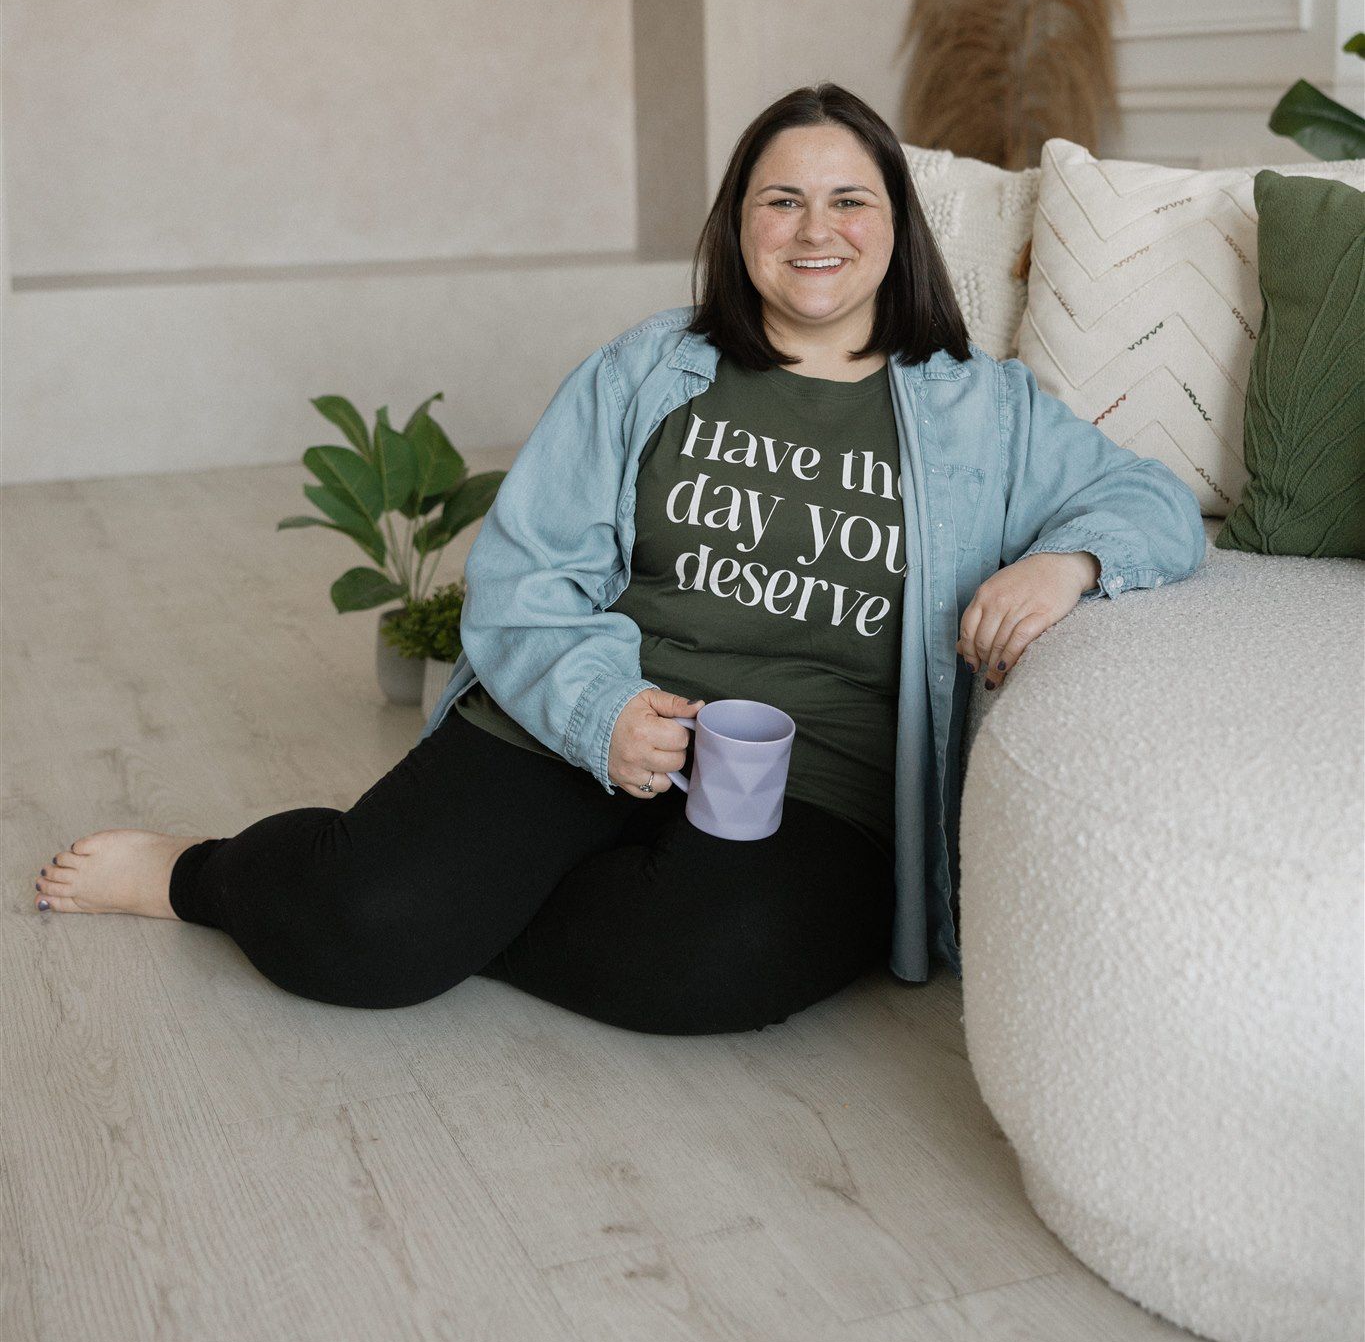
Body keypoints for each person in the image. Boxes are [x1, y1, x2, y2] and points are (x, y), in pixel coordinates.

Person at [33, 83, 1207, 1034]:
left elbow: (1155, 501)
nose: (816, 230)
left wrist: (1070, 562)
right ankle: (208, 870)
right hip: (586, 715)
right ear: (739, 225)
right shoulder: (651, 368)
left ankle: (452, 910)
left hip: (817, 779)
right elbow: (529, 571)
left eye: (849, 199)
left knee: (705, 969)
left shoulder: (979, 409)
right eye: (782, 199)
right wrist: (605, 711)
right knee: (360, 936)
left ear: (896, 225)